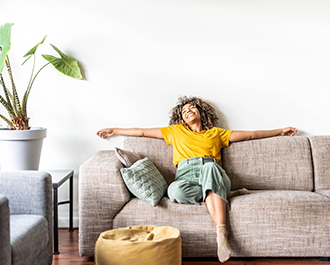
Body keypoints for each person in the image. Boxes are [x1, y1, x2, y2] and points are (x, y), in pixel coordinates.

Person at [97, 96, 298, 263]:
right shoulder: (175, 131)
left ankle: (221, 235)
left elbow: (250, 135)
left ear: (201, 113)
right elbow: (141, 132)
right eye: (184, 111)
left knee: (210, 167)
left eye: (192, 108)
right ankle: (224, 194)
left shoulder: (216, 133)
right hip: (185, 175)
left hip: (210, 170)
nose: (188, 111)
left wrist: (280, 131)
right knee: (174, 192)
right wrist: (114, 130)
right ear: (181, 118)